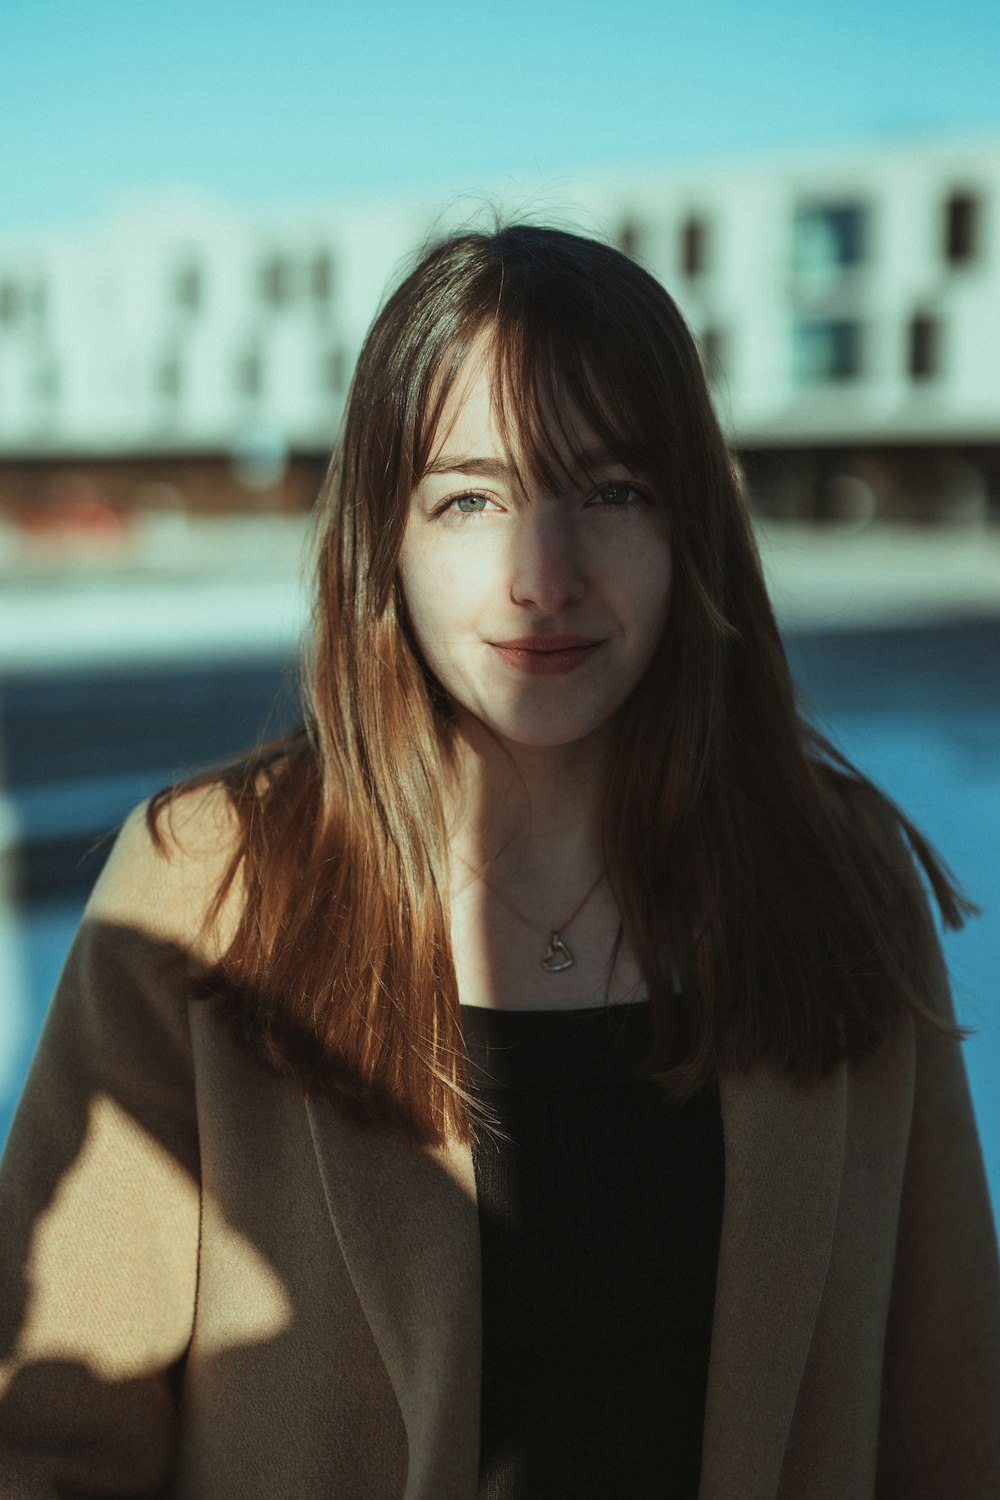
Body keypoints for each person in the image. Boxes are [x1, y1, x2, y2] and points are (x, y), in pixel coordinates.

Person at [0, 222, 998, 1499]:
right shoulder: (210, 888)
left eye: (611, 492)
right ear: (387, 539)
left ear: (691, 526)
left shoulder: (836, 880)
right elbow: (48, 1435)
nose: (542, 576)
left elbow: (949, 1421)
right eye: (470, 497)